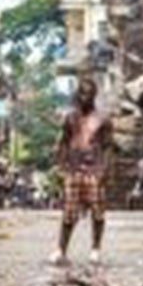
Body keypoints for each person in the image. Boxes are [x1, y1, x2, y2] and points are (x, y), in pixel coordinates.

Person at [55, 76, 114, 267]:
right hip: (73, 170)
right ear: (77, 94)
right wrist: (61, 165)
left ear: (94, 95)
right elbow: (63, 142)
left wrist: (104, 169)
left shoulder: (103, 119)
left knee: (98, 212)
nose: (84, 97)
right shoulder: (70, 118)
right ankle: (61, 250)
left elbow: (107, 146)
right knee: (69, 212)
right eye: (81, 92)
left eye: (88, 93)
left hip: (94, 169)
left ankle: (95, 249)